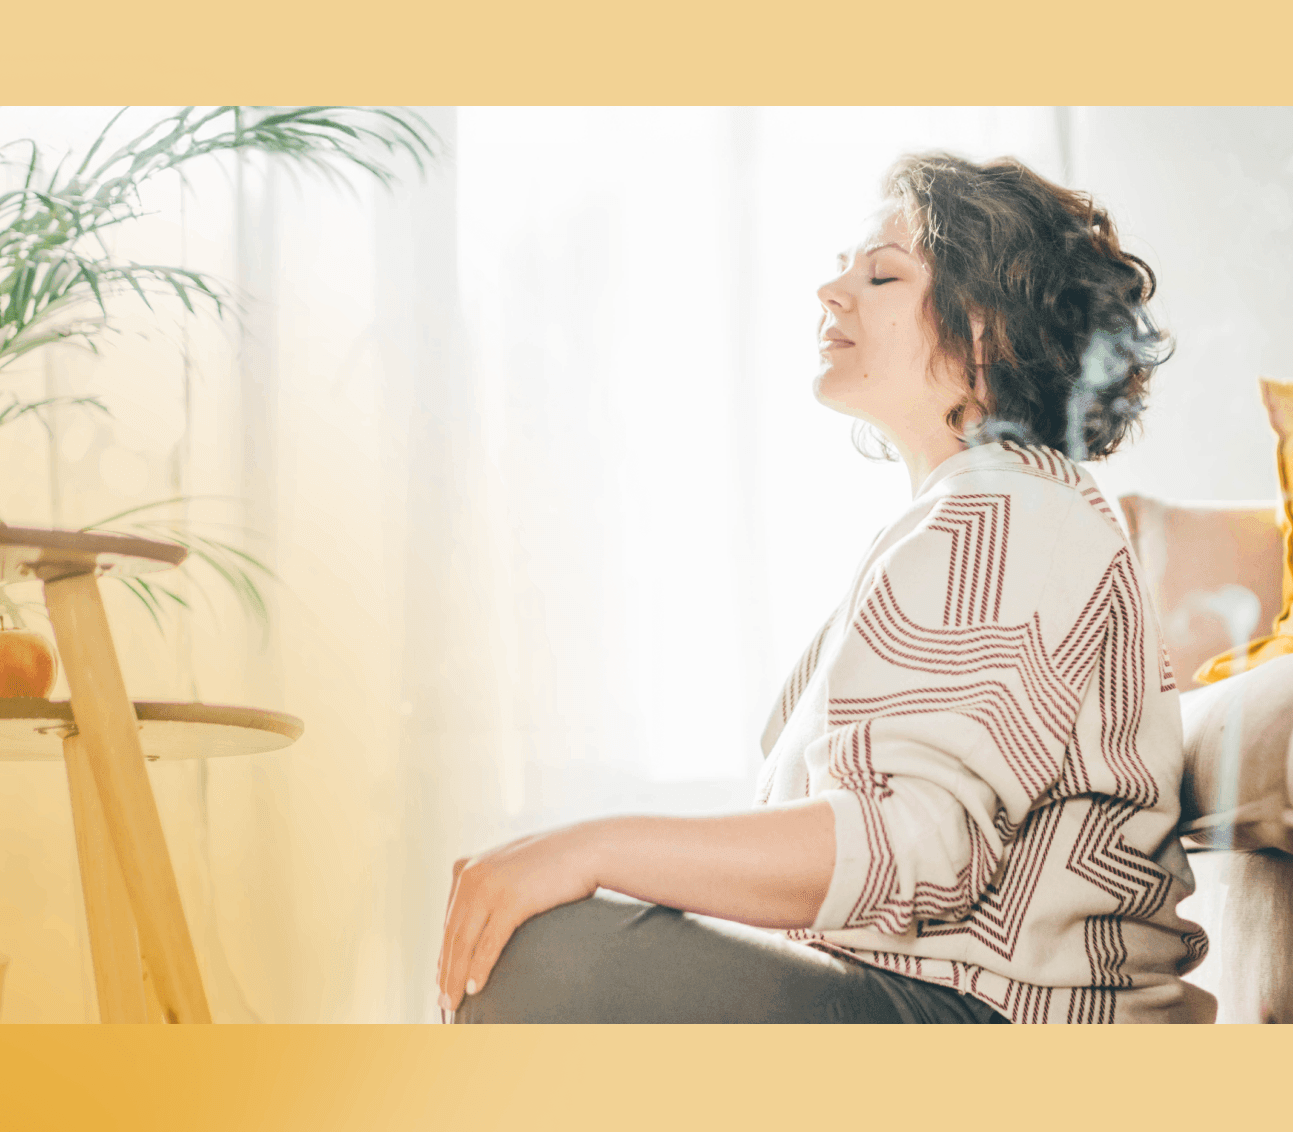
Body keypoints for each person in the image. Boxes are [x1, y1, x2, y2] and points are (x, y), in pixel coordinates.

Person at [439, 152, 1214, 1024]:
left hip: (994, 1022)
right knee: (551, 933)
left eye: (882, 273)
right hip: (935, 998)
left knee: (550, 953)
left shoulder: (1009, 511)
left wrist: (589, 849)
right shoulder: (984, 512)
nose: (831, 292)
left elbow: (916, 852)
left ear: (988, 325)